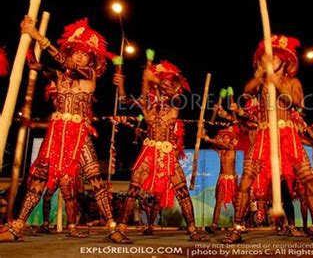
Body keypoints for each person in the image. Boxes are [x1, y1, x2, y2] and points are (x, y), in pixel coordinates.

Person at [0, 16, 128, 243]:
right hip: (56, 133)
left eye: (84, 53)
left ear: (91, 59)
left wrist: (39, 35)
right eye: (75, 52)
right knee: (38, 179)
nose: (78, 56)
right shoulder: (60, 76)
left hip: (79, 134)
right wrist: (28, 41)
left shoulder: (88, 75)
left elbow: (62, 62)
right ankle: (17, 226)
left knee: (95, 179)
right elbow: (40, 66)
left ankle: (112, 226)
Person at [221, 34, 313, 244]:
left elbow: (297, 102)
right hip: (265, 135)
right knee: (246, 180)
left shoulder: (293, 82)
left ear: (285, 62)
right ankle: (237, 228)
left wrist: (277, 83)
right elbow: (247, 90)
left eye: (275, 58)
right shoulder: (262, 83)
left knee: (309, 182)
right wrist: (261, 73)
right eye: (269, 58)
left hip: (289, 137)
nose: (271, 60)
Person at [113, 59, 208, 241]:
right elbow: (124, 101)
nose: (165, 84)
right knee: (133, 190)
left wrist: (153, 79)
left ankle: (193, 231)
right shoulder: (147, 101)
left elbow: (173, 97)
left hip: (168, 153)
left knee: (182, 192)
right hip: (149, 152)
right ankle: (120, 229)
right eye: (162, 81)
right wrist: (121, 85)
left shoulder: (176, 100)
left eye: (168, 82)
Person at [202, 124, 239, 234]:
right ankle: (214, 225)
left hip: (231, 180)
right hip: (222, 179)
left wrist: (208, 138)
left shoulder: (231, 148)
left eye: (226, 137)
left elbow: (219, 144)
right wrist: (203, 136)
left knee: (235, 203)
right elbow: (213, 144)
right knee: (218, 202)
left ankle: (239, 225)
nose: (223, 138)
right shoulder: (220, 150)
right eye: (222, 137)